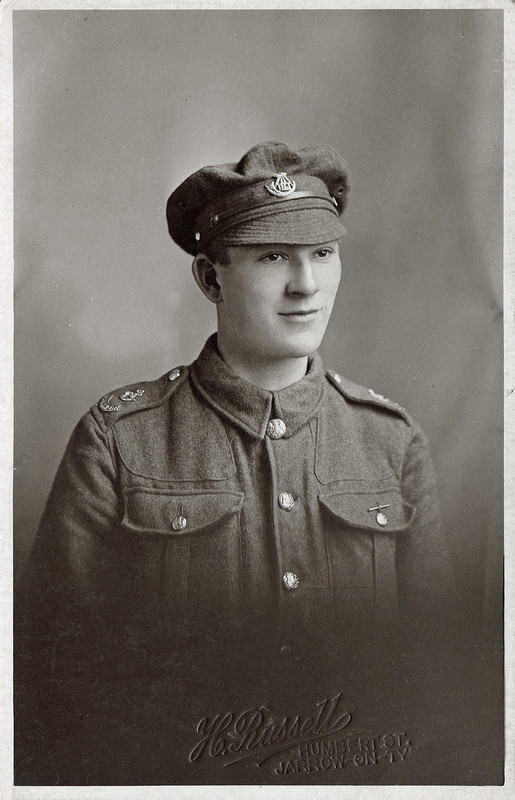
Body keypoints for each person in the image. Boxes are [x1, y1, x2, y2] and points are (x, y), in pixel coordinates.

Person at [15, 142, 455, 785]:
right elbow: (56, 678)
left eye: (322, 254)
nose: (305, 285)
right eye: (272, 256)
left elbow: (436, 673)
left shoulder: (391, 441)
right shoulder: (118, 441)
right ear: (210, 278)